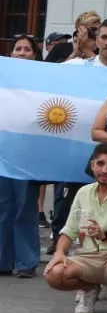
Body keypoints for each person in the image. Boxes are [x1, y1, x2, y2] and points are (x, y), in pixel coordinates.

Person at [43, 143, 107, 313]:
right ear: (92, 165)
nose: (105, 170)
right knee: (53, 274)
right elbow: (69, 231)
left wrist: (104, 234)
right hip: (87, 258)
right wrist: (59, 252)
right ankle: (89, 289)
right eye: (100, 164)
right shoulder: (83, 192)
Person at [0, 35, 44, 279]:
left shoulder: (43, 82)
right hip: (2, 150)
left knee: (25, 206)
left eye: (28, 49)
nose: (23, 52)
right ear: (11, 54)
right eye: (18, 49)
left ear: (35, 55)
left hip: (29, 153)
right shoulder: (2, 80)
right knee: (3, 206)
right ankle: (3, 260)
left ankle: (26, 262)